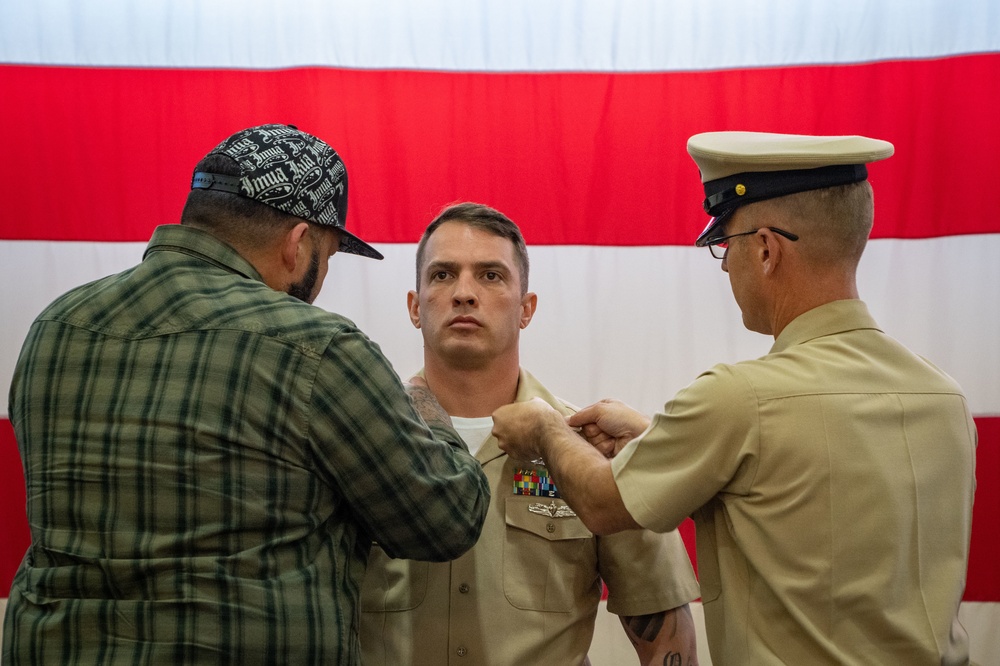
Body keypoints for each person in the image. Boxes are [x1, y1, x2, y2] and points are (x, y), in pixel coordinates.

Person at [3, 124, 490, 665]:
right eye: (326, 258)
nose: (321, 277)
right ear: (298, 242)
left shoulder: (58, 325)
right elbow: (446, 518)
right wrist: (423, 402)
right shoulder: (315, 349)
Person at [491, 132, 977, 665]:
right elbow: (801, 493)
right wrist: (658, 439)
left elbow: (604, 503)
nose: (724, 266)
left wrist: (544, 426)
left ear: (766, 249)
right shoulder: (943, 398)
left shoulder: (740, 399)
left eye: (726, 244)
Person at [359, 202, 700, 666]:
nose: (464, 293)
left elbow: (664, 634)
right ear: (415, 308)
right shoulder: (359, 443)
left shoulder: (594, 449)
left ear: (527, 309)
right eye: (442, 275)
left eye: (490, 275)